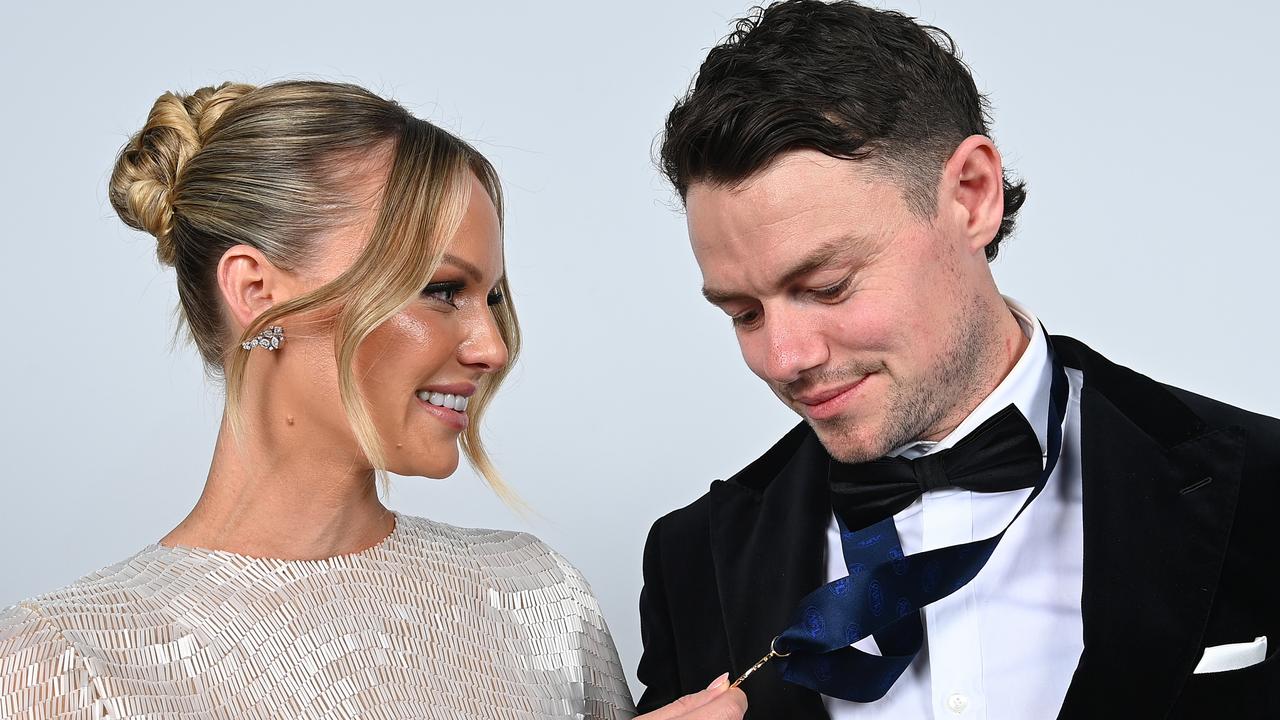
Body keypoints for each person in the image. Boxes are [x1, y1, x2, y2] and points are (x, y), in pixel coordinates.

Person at [0, 80, 746, 720]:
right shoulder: (69, 664)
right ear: (257, 293)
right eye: (441, 289)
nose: (492, 346)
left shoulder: (539, 602)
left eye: (492, 297)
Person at [635, 2, 1279, 719]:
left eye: (827, 286)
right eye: (743, 314)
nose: (784, 358)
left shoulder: (1266, 486)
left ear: (973, 196)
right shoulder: (690, 561)